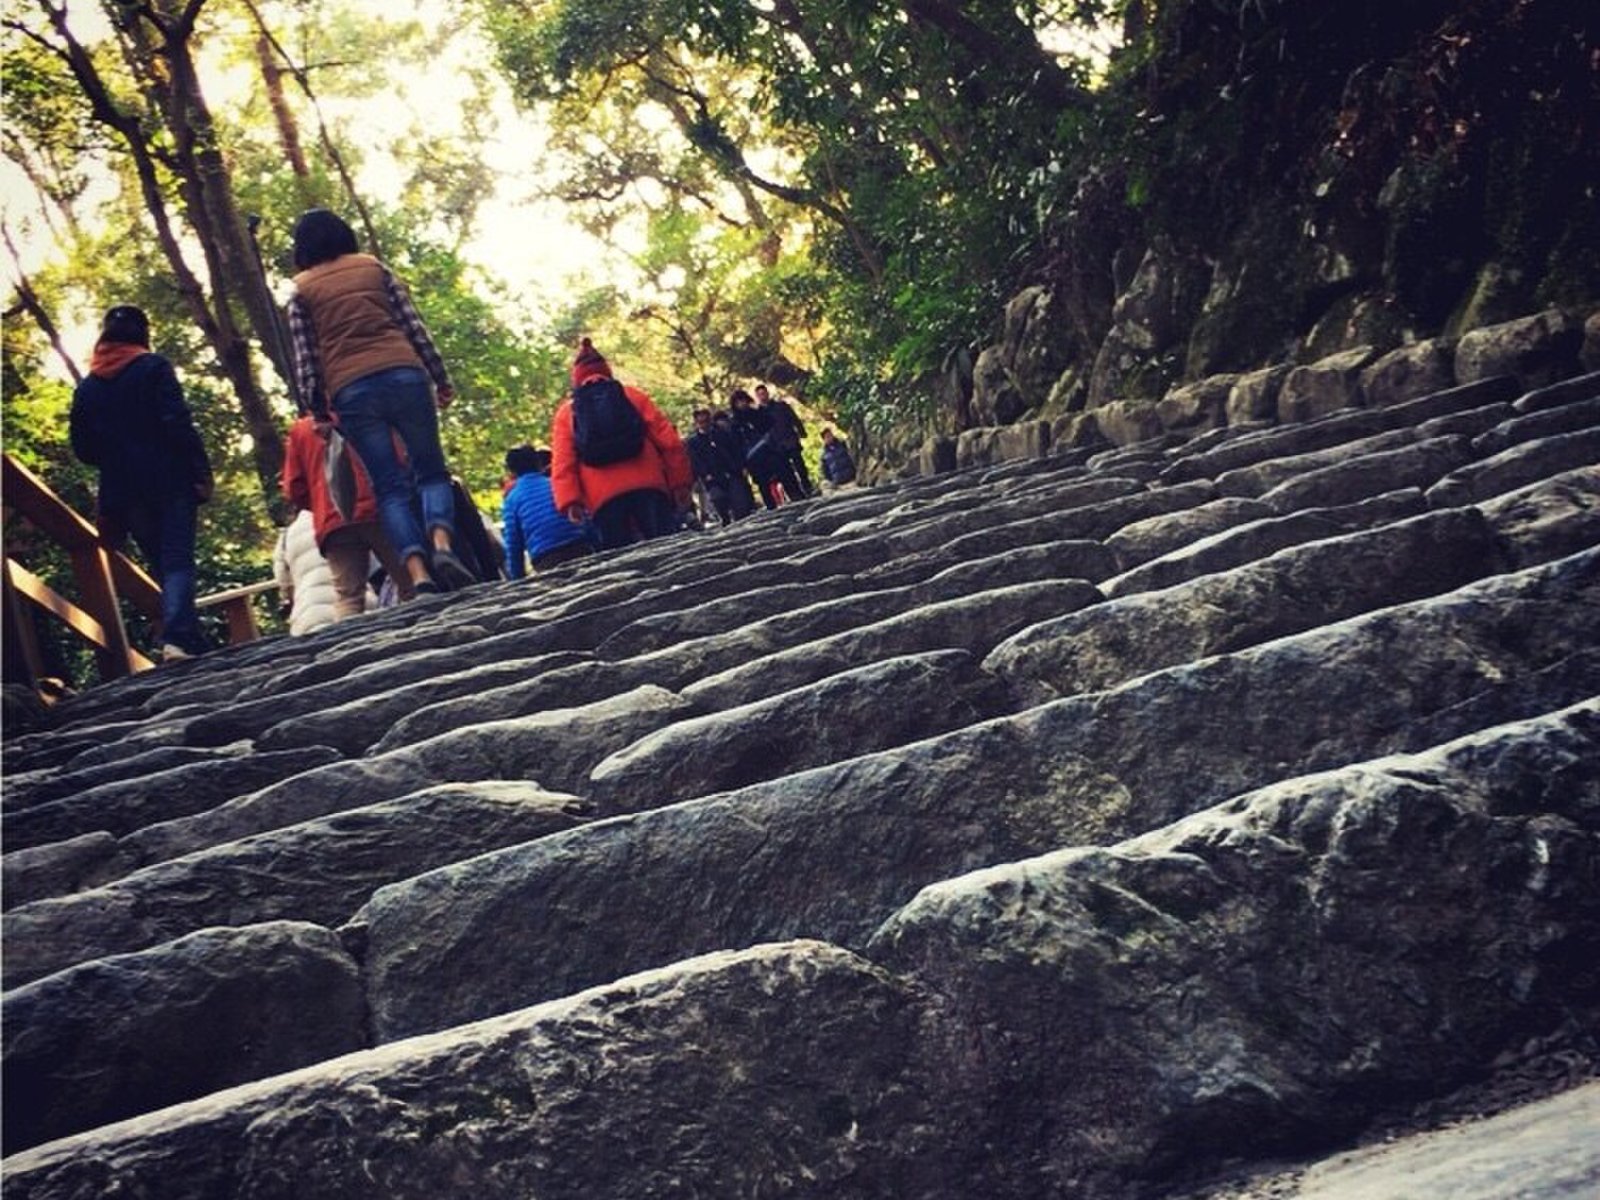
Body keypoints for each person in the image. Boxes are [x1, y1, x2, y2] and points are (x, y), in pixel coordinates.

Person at [284, 208, 475, 597]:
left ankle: (419, 573)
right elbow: (413, 325)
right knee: (431, 471)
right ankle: (441, 545)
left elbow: (306, 359)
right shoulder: (374, 269)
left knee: (388, 487)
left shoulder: (301, 290)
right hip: (404, 373)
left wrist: (317, 409)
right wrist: (439, 377)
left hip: (350, 388)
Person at [69, 304, 214, 660]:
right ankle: (178, 638)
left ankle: (187, 639)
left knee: (162, 563)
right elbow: (176, 421)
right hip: (169, 479)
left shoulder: (88, 389)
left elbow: (83, 449)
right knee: (178, 558)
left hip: (124, 492)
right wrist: (200, 470)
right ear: (142, 334)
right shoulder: (153, 368)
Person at [550, 338, 693, 550]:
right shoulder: (633, 396)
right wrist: (680, 482)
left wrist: (570, 501)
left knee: (622, 556)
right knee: (666, 545)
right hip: (648, 483)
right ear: (607, 370)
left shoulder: (567, 413)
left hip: (602, 496)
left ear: (576, 378)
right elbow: (669, 441)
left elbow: (563, 462)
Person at [281, 411, 411, 616]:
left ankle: (351, 640)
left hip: (333, 522)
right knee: (408, 580)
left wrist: (322, 504)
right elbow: (399, 458)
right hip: (378, 512)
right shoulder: (361, 409)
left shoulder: (301, 429)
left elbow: (294, 488)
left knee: (348, 595)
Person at [502, 444, 594, 575]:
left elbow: (513, 544)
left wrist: (517, 579)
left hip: (545, 557)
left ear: (512, 471)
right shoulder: (556, 485)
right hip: (578, 545)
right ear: (538, 462)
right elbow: (583, 514)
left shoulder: (512, 500)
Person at [728, 388, 802, 508]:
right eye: (738, 402)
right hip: (753, 458)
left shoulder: (758, 413)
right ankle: (771, 506)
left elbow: (771, 426)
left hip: (771, 451)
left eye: (743, 401)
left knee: (785, 473)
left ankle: (796, 496)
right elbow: (736, 445)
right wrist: (743, 464)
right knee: (763, 483)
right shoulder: (735, 424)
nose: (742, 404)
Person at [685, 406, 755, 526]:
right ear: (696, 423)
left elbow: (734, 450)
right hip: (712, 478)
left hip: (731, 472)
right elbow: (695, 461)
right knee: (718, 499)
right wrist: (705, 474)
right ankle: (725, 519)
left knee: (740, 505)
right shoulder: (693, 442)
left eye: (706, 421)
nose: (704, 425)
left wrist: (740, 466)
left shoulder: (721, 434)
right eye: (701, 422)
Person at [755, 383, 812, 497]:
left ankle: (807, 485)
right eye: (760, 395)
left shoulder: (781, 406)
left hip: (789, 438)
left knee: (799, 464)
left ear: (767, 393)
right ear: (757, 397)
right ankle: (796, 492)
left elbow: (793, 418)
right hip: (775, 445)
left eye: (764, 393)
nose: (763, 396)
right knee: (787, 470)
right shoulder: (758, 414)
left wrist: (801, 431)